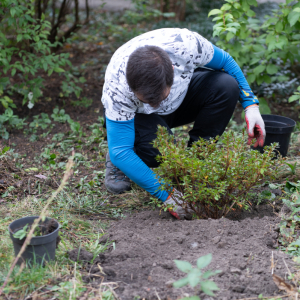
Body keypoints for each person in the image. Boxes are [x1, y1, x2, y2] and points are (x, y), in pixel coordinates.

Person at [101, 28, 265, 220]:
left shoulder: (185, 45)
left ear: (172, 69)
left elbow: (226, 61)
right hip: (138, 117)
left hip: (178, 101)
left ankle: (197, 162)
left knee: (225, 86)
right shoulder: (118, 85)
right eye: (147, 100)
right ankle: (125, 153)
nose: (155, 105)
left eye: (160, 97)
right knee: (159, 151)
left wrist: (250, 104)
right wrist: (168, 195)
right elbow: (121, 151)